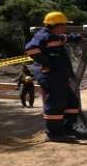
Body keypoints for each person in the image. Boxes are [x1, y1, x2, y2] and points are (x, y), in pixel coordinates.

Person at [24, 11, 83, 141]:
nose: (65, 27)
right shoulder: (43, 36)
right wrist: (47, 63)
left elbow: (65, 38)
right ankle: (54, 134)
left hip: (59, 76)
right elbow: (30, 49)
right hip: (50, 76)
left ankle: (68, 129)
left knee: (71, 101)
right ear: (56, 25)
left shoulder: (54, 36)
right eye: (64, 25)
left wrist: (78, 37)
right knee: (56, 103)